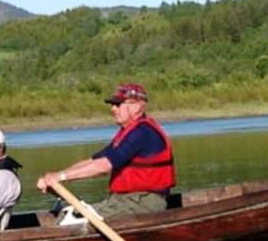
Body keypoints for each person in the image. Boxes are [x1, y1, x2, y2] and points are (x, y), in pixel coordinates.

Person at [36, 82, 176, 218]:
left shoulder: (142, 133)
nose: (113, 109)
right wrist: (59, 176)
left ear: (136, 106)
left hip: (143, 203)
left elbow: (104, 167)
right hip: (126, 202)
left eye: (118, 104)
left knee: (76, 220)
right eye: (112, 105)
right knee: (69, 213)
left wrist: (60, 177)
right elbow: (95, 161)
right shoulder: (127, 133)